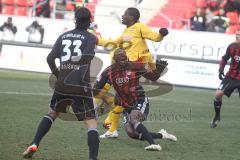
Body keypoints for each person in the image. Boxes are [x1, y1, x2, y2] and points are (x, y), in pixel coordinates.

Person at [22, 7, 99, 160]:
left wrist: (59, 75)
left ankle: (34, 143)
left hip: (62, 84)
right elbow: (88, 58)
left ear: (75, 19)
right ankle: (92, 158)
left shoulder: (63, 36)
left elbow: (50, 59)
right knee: (91, 122)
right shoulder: (91, 38)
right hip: (80, 85)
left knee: (52, 113)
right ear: (90, 20)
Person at [96, 7, 169, 138]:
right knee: (115, 94)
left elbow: (155, 37)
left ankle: (111, 126)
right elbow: (113, 43)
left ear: (132, 17)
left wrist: (161, 34)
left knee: (121, 96)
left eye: (125, 15)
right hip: (126, 67)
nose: (122, 16)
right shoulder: (126, 31)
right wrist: (97, 41)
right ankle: (111, 125)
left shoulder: (140, 27)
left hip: (137, 66)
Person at [93, 48, 177, 151]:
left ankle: (154, 144)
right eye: (121, 59)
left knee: (134, 119)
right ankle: (162, 135)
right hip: (126, 105)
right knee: (132, 133)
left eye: (125, 57)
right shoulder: (108, 72)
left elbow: (153, 77)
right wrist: (104, 97)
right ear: (115, 59)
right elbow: (96, 90)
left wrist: (158, 71)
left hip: (139, 99)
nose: (124, 60)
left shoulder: (135, 66)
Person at [211, 31, 240, 128]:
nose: (238, 38)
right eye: (237, 36)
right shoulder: (232, 46)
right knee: (218, 94)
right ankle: (217, 116)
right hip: (231, 76)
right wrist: (221, 70)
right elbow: (224, 58)